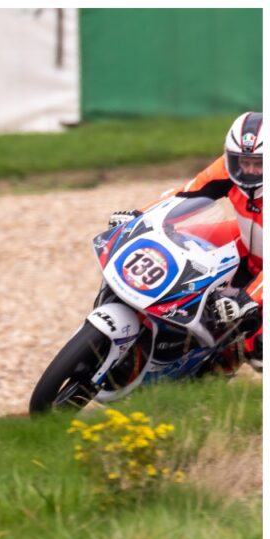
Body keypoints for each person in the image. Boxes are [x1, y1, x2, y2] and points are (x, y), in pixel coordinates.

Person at [108, 112, 263, 367]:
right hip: (246, 242)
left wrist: (249, 298)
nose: (248, 171)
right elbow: (186, 195)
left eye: (258, 164)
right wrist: (138, 216)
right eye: (242, 162)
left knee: (257, 349)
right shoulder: (227, 167)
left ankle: (214, 369)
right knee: (183, 243)